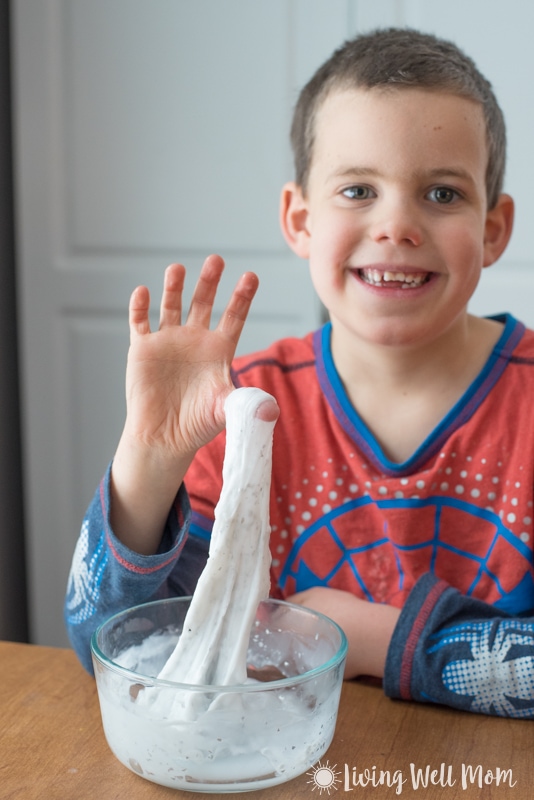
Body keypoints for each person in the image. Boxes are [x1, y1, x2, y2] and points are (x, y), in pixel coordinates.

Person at [65, 28, 534, 718]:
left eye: (440, 193)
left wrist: (377, 638)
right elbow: (119, 650)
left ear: (494, 229)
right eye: (357, 189)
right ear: (299, 219)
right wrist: (148, 460)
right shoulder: (240, 408)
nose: (397, 224)